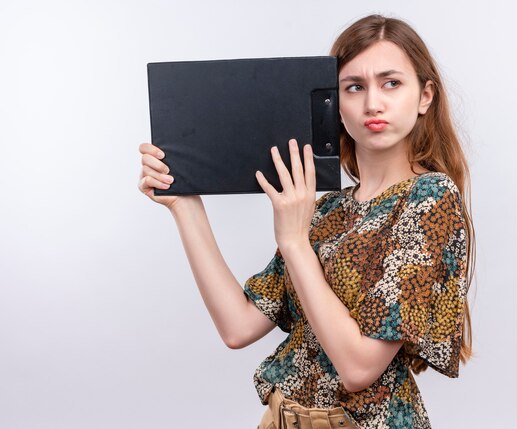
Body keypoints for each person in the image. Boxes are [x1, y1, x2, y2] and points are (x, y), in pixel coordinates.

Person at [138, 14, 475, 429]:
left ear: (424, 96)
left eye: (391, 83)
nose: (373, 103)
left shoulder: (431, 197)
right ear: (333, 102)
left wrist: (295, 240)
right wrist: (184, 204)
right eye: (354, 87)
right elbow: (237, 326)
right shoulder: (327, 210)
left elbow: (358, 368)